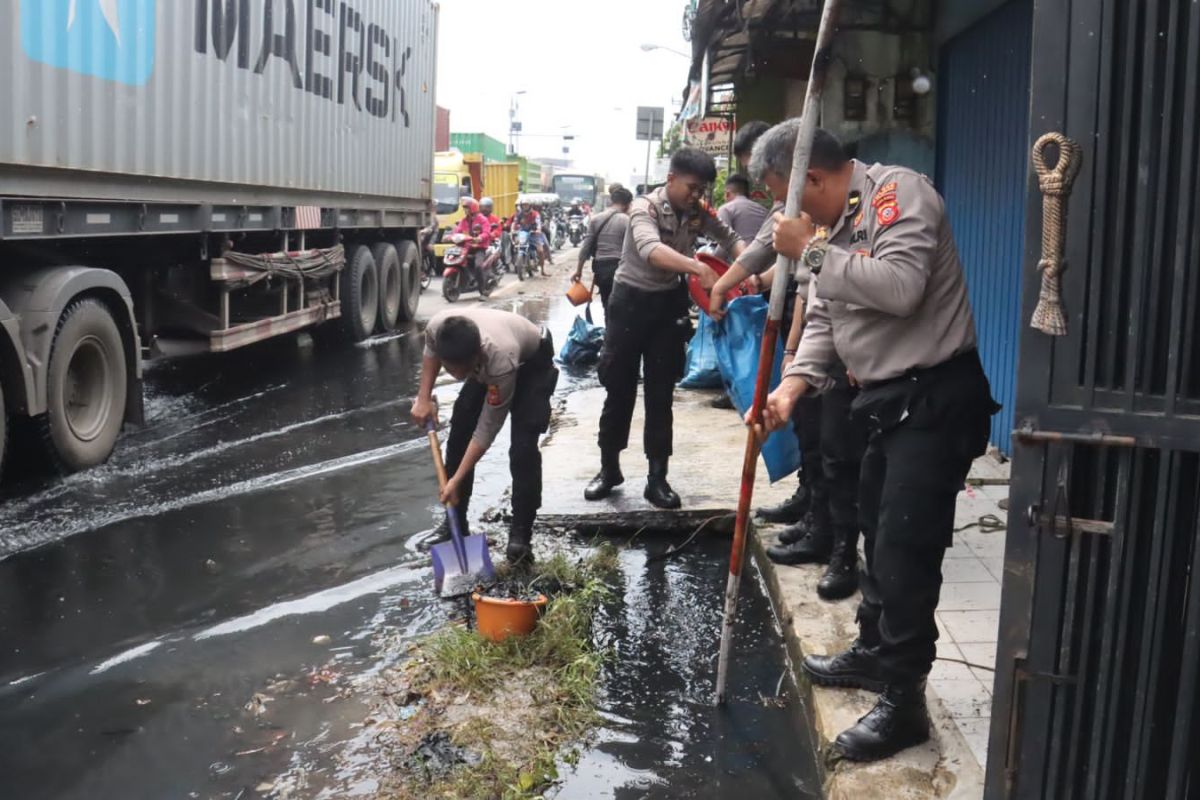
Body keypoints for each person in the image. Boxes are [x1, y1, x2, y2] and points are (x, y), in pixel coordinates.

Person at [757, 128, 998, 762]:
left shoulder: (898, 195)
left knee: (904, 547)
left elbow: (899, 287)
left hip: (935, 398)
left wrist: (809, 251)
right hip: (885, 403)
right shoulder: (830, 233)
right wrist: (791, 389)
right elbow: (829, 319)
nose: (792, 217)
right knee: (870, 526)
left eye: (790, 200)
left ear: (812, 179)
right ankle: (873, 648)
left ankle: (903, 702)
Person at [708, 120, 865, 601]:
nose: (775, 200)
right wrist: (796, 359)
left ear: (805, 172)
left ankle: (841, 547)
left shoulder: (854, 211)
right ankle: (818, 520)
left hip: (861, 357)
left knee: (840, 454)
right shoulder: (804, 215)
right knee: (815, 440)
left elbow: (887, 288)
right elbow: (807, 292)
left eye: (773, 182)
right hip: (822, 337)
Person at [584, 147, 745, 509]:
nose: (696, 196)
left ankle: (657, 479)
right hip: (628, 305)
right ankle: (609, 469)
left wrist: (748, 262)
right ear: (671, 178)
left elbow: (731, 238)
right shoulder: (646, 207)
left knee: (661, 394)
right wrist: (696, 267)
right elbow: (650, 249)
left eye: (702, 190)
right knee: (619, 389)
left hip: (666, 307)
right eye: (691, 187)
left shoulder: (697, 211)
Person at [411, 309, 559, 565]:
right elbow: (432, 353)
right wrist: (423, 398)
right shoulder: (438, 327)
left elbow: (487, 428)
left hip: (531, 363)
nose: (457, 376)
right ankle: (455, 523)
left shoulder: (500, 359)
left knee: (523, 447)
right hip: (486, 367)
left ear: (477, 354)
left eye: (463, 370)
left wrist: (455, 480)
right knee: (458, 434)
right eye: (450, 369)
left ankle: (521, 535)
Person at [573, 186, 633, 311]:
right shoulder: (627, 221)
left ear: (611, 201)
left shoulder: (596, 219)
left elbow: (585, 248)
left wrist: (579, 271)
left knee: (607, 304)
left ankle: (609, 328)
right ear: (628, 204)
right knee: (621, 307)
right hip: (620, 268)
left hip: (600, 268)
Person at [717, 173, 769, 245]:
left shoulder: (726, 209)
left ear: (727, 194)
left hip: (741, 255)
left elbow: (722, 246)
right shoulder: (764, 211)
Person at [451, 199, 492, 288]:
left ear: (472, 208)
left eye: (467, 208)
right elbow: (457, 231)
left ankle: (483, 290)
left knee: (478, 266)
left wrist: (479, 238)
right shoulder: (464, 220)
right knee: (456, 260)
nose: (465, 210)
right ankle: (468, 279)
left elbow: (487, 232)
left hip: (479, 247)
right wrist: (451, 236)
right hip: (467, 247)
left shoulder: (482, 219)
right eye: (464, 208)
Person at [512, 201, 550, 273]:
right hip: (523, 233)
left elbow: (538, 223)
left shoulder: (535, 214)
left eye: (526, 205)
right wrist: (513, 229)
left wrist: (538, 229)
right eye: (523, 205)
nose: (525, 206)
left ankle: (542, 270)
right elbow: (515, 222)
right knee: (516, 245)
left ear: (530, 205)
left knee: (540, 251)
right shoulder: (519, 214)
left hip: (534, 234)